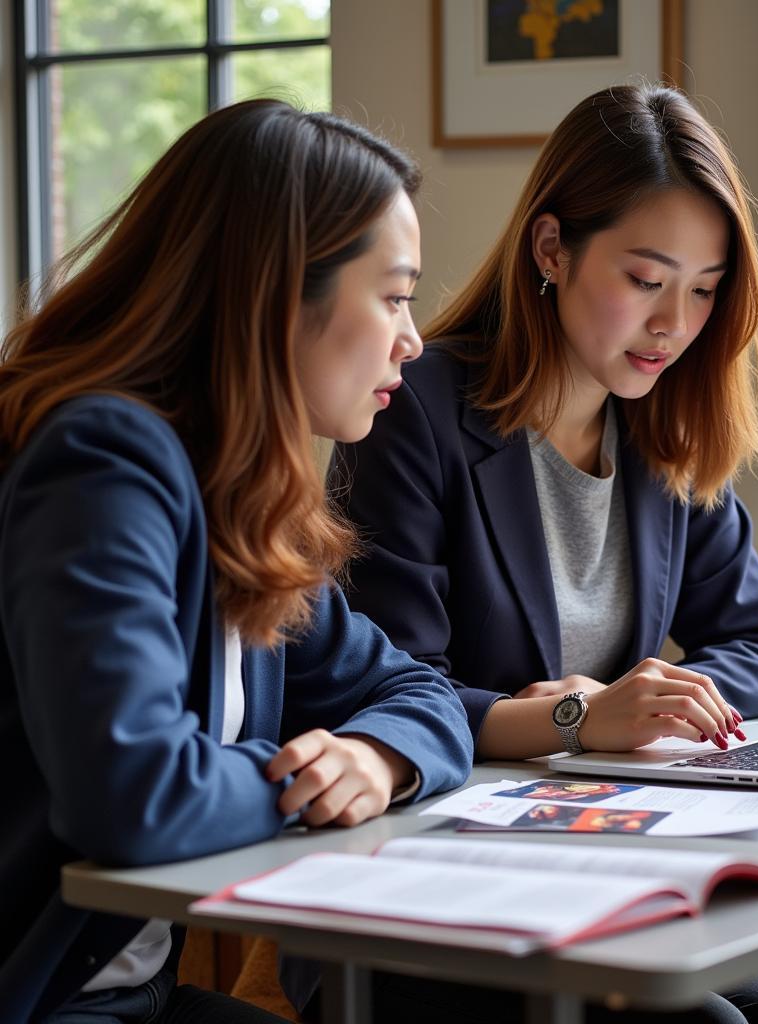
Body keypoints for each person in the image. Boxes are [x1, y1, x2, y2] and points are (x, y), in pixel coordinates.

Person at [326, 83, 758, 1023]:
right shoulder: (414, 411)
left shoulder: (665, 425)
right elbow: (384, 687)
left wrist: (655, 701)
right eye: (646, 281)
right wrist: (576, 716)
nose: (674, 325)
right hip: (431, 883)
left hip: (606, 858)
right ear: (552, 249)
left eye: (703, 290)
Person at [0, 99, 473, 1024]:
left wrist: (376, 757)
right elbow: (132, 796)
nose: (413, 341)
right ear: (277, 292)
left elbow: (423, 695)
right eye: (395, 296)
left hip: (132, 996)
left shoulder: (235, 489)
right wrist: (310, 788)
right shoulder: (102, 466)